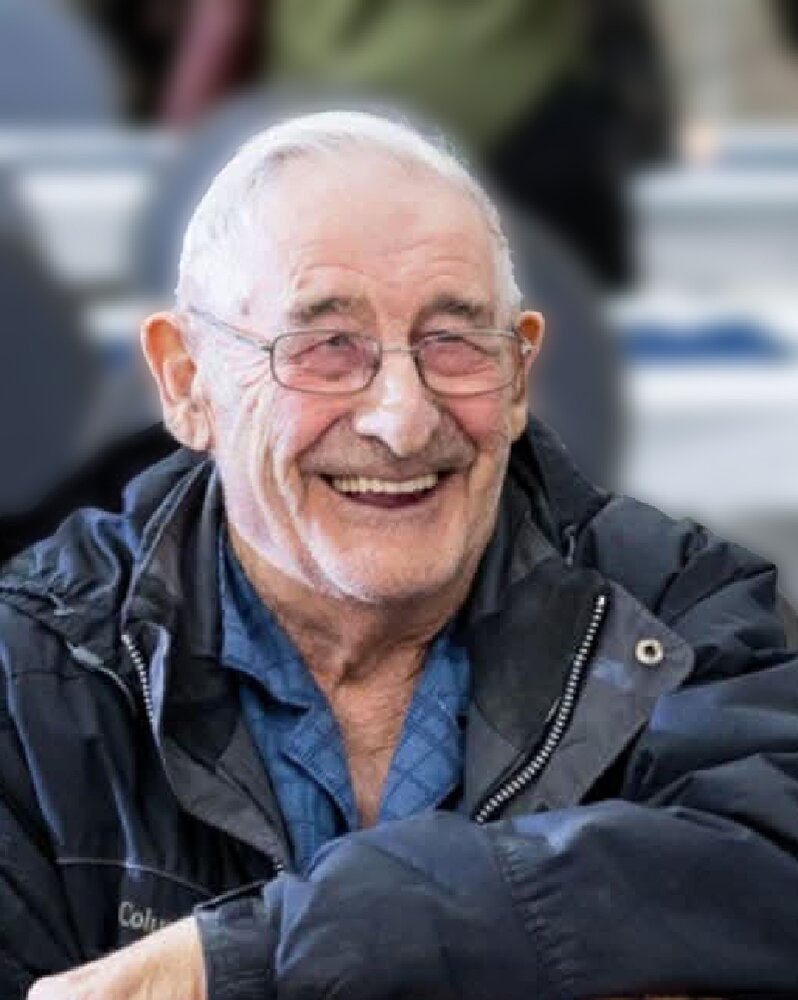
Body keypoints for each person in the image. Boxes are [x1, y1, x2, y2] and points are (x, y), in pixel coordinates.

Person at [3, 112, 798, 1000]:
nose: (403, 420)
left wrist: (263, 955)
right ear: (188, 383)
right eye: (325, 347)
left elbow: (771, 873)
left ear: (520, 374)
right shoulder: (33, 676)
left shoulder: (679, 614)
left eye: (454, 342)